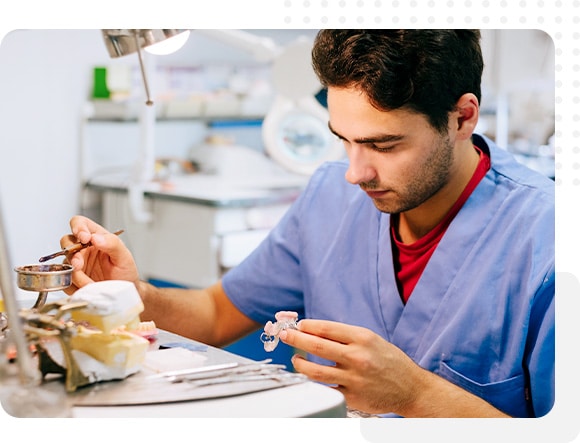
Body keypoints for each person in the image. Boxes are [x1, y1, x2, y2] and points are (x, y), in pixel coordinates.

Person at [62, 30, 554, 418]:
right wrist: (134, 296)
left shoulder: (546, 240)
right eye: (344, 138)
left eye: (384, 146)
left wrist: (415, 395)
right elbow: (215, 313)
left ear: (463, 117)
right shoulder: (330, 197)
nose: (355, 173)